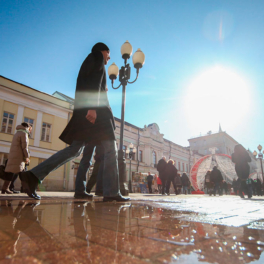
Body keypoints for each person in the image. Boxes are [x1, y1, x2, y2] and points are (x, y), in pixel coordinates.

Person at [19, 42, 130, 202]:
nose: (109, 57)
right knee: (111, 149)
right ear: (103, 51)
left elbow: (91, 83)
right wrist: (92, 107)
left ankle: (33, 175)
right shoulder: (97, 56)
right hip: (97, 115)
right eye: (109, 53)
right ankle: (112, 192)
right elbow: (93, 82)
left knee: (75, 150)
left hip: (85, 113)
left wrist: (100, 91)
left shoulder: (90, 60)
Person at [1, 122, 31, 194]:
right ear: (27, 127)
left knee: (11, 172)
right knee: (22, 173)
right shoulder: (24, 134)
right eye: (30, 128)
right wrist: (27, 156)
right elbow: (24, 147)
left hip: (13, 155)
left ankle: (5, 188)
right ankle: (26, 189)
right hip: (19, 157)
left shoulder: (17, 133)